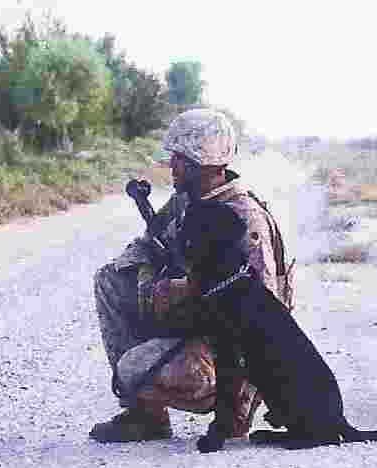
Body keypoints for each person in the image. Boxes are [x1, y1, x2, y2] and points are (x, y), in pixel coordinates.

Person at [90, 108, 295, 443]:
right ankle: (146, 416)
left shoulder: (246, 218)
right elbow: (147, 246)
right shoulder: (188, 200)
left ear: (200, 161)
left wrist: (183, 290)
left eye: (178, 159)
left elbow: (266, 318)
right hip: (199, 320)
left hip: (233, 347)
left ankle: (235, 407)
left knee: (133, 369)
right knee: (110, 279)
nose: (171, 166)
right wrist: (152, 280)